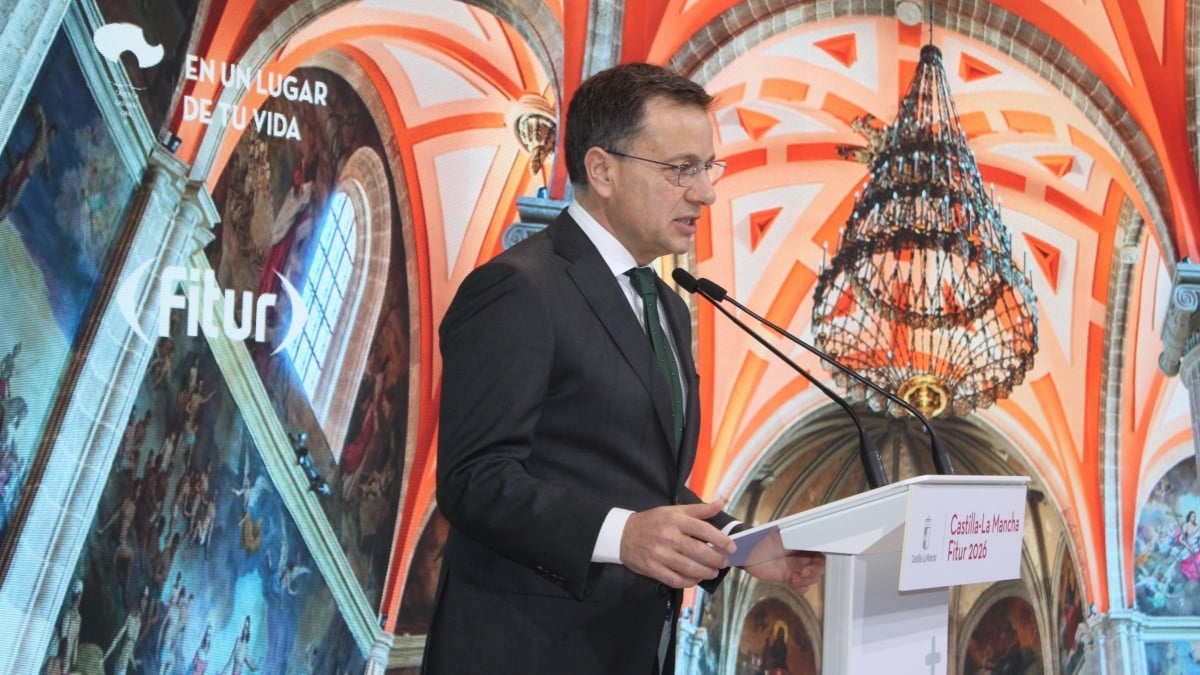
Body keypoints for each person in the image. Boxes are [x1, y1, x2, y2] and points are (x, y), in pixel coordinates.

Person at [423, 62, 824, 674]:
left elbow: (636, 480)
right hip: (525, 650)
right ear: (603, 170)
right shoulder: (518, 288)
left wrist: (744, 546)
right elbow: (473, 479)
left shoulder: (667, 304)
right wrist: (621, 537)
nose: (706, 192)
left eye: (707, 167)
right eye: (680, 169)